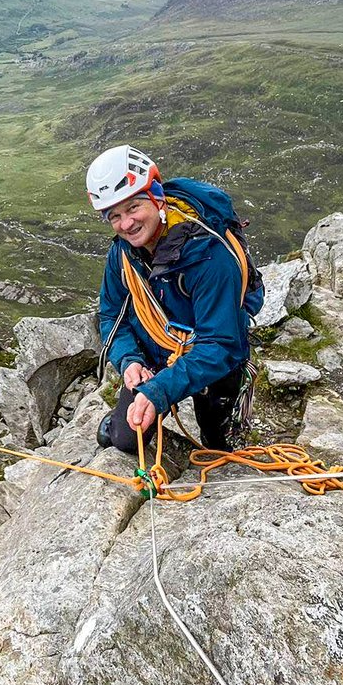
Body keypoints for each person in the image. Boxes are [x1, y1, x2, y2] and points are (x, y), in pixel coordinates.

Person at [87, 145, 264, 454]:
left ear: (157, 197)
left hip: (212, 356)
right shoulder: (123, 254)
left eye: (133, 208)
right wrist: (130, 360)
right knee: (126, 438)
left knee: (219, 445)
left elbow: (221, 344)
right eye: (114, 215)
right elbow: (111, 315)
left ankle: (224, 419)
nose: (126, 224)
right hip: (155, 353)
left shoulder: (209, 255)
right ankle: (121, 419)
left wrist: (160, 389)